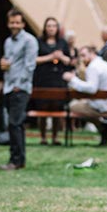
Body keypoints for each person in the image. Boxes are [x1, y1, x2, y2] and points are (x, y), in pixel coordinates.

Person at [0, 9, 38, 171]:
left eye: (17, 22)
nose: (14, 25)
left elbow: (30, 66)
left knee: (15, 123)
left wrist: (19, 84)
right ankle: (17, 159)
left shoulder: (30, 41)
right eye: (12, 22)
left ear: (22, 24)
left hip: (20, 88)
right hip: (8, 86)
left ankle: (16, 160)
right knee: (14, 124)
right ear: (8, 23)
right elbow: (8, 62)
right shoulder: (8, 41)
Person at [63, 45, 107, 146]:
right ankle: (103, 127)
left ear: (92, 54)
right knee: (81, 104)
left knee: (72, 106)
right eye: (81, 56)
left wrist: (72, 79)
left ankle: (102, 126)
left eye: (84, 55)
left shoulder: (93, 67)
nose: (82, 59)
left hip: (101, 104)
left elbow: (91, 88)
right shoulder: (105, 64)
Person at [33, 17, 70, 145]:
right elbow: (33, 59)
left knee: (57, 108)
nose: (51, 28)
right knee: (42, 108)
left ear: (57, 28)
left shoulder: (63, 43)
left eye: (54, 26)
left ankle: (55, 137)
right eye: (49, 26)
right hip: (42, 78)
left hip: (57, 79)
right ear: (45, 28)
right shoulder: (38, 42)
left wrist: (61, 57)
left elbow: (69, 60)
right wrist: (50, 57)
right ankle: (43, 137)